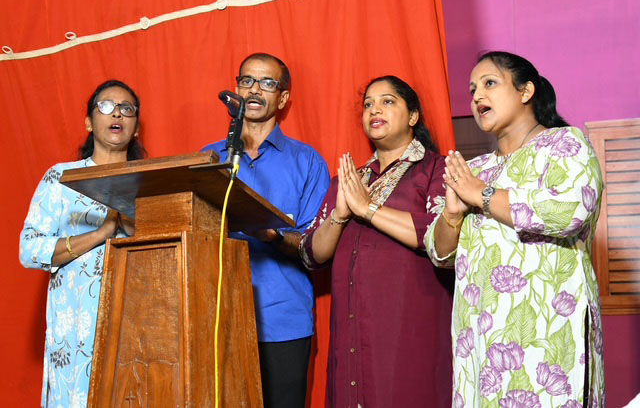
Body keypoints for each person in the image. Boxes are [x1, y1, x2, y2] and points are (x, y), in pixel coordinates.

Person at [425, 51, 605, 407]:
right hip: (481, 342)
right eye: (472, 90)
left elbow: (570, 210)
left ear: (526, 91)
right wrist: (453, 214)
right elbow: (439, 252)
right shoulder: (475, 168)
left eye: (489, 83)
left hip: (547, 335)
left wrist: (481, 194)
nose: (477, 96)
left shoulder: (565, 144)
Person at [300, 75, 454, 407]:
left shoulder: (436, 170)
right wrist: (341, 215)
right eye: (368, 104)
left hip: (410, 330)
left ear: (413, 116)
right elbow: (312, 254)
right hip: (352, 329)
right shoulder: (349, 180)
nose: (374, 110)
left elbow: (440, 235)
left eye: (387, 101)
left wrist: (367, 209)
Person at [201, 53, 330, 408]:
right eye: (247, 81)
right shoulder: (209, 158)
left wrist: (269, 233)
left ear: (283, 98)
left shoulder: (307, 162)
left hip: (283, 322)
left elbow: (316, 246)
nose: (255, 90)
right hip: (217, 319)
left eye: (267, 83)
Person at [19, 79, 146, 407]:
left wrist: (131, 225)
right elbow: (29, 250)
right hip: (74, 336)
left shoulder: (152, 180)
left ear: (135, 127)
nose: (117, 113)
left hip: (137, 329)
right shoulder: (62, 178)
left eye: (126, 108)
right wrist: (100, 233)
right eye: (106, 106)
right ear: (89, 122)